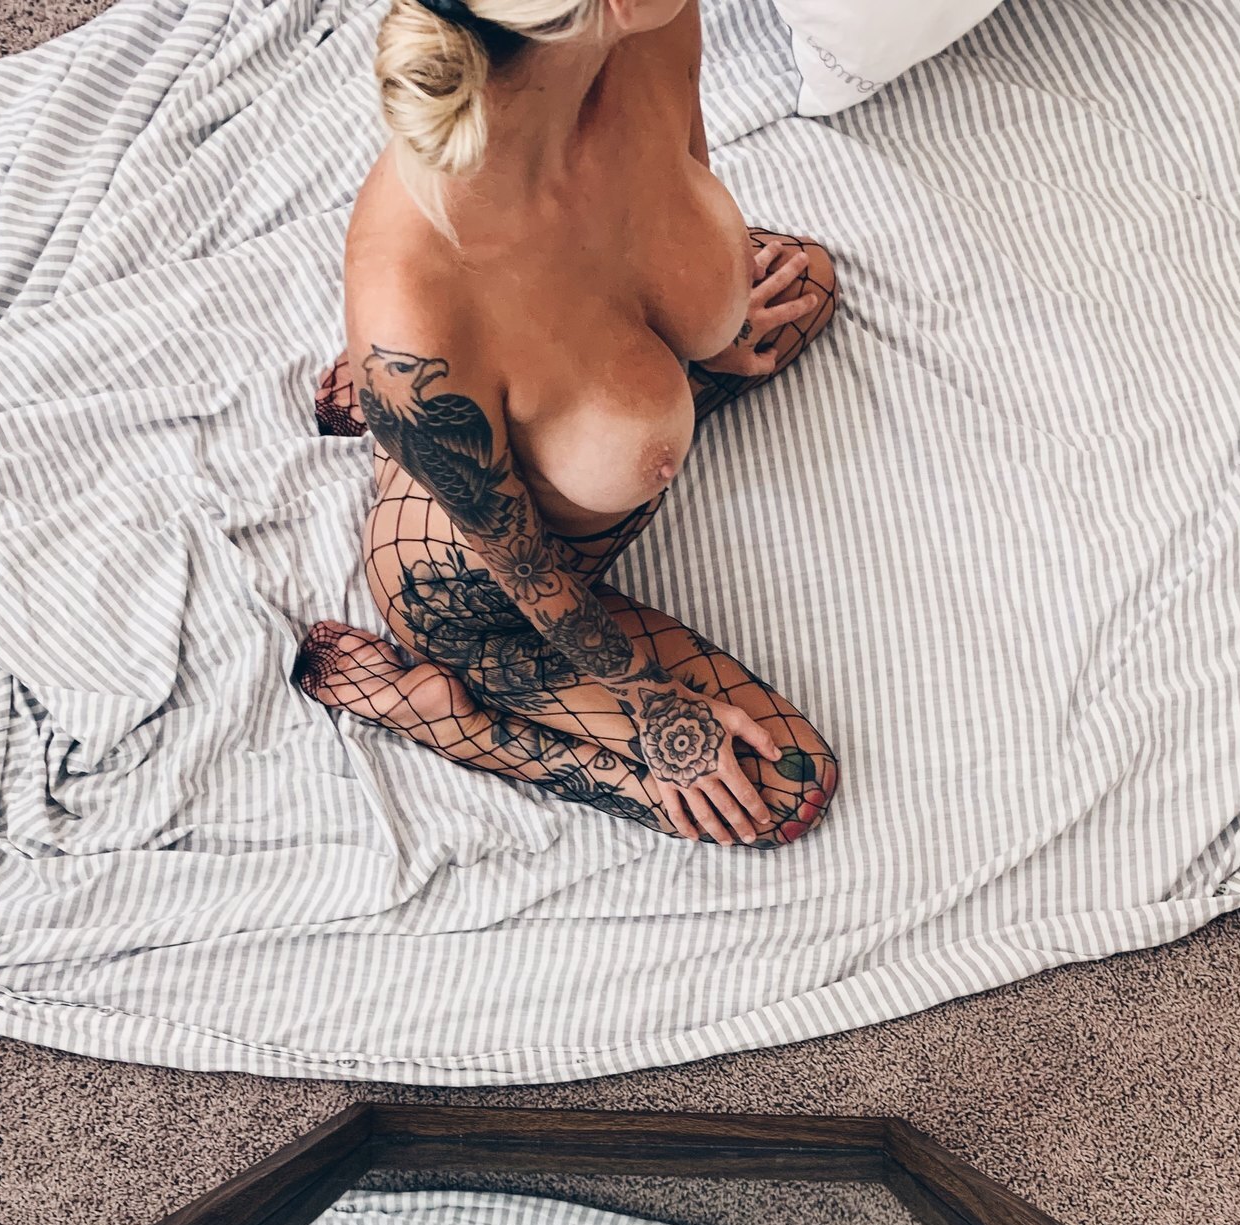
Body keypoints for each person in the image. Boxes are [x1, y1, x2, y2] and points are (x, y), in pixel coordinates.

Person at [293, 0, 841, 847]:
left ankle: (421, 411)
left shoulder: (653, 23)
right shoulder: (413, 297)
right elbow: (525, 567)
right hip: (478, 585)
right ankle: (440, 713)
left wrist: (714, 321)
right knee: (787, 786)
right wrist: (650, 704)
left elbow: (678, 177)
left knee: (807, 279)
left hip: (534, 385)